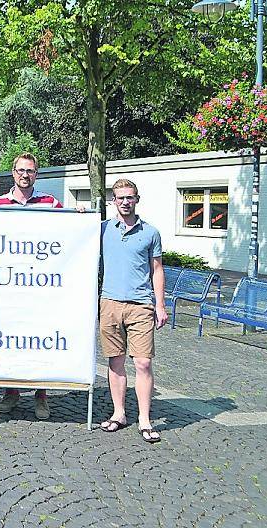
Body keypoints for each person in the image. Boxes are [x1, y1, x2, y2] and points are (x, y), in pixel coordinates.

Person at [0, 152, 63, 420]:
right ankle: (11, 393)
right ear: (13, 172)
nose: (25, 175)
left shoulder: (51, 203)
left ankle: (41, 396)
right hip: (9, 287)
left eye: (30, 171)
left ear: (36, 174)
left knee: (40, 340)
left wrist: (78, 215)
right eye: (21, 170)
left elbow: (66, 234)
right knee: (11, 340)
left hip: (41, 286)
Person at [99, 179, 168, 443]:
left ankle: (145, 419)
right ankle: (119, 414)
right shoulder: (103, 229)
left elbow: (157, 270)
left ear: (137, 199)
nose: (125, 202)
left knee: (143, 362)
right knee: (115, 361)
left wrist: (160, 305)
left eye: (129, 197)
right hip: (110, 302)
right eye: (120, 198)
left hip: (141, 304)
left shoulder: (151, 233)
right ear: (113, 201)